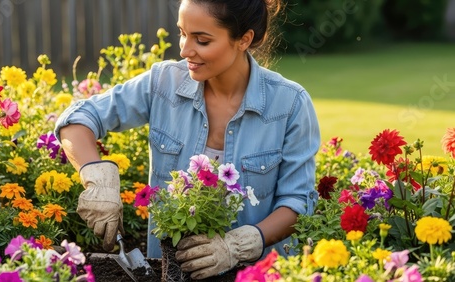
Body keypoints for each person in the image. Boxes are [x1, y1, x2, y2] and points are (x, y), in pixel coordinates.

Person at [54, 0, 320, 279]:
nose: (184, 49)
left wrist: (238, 245)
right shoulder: (163, 83)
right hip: (170, 272)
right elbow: (78, 118)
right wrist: (97, 179)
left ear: (244, 39)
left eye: (202, 40)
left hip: (255, 275)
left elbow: (297, 202)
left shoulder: (289, 104)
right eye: (182, 32)